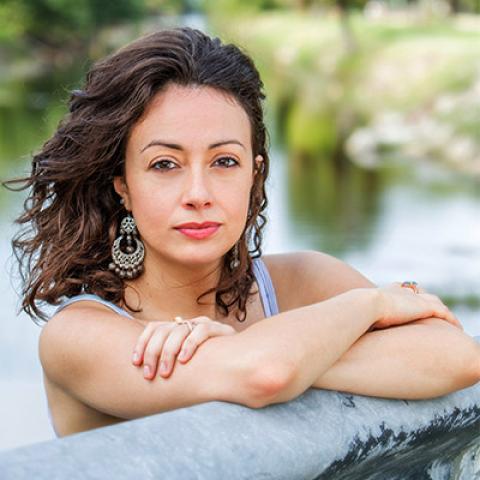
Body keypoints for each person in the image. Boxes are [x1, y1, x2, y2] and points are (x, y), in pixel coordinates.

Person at [6, 27, 479, 439]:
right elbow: (266, 372)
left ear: (254, 174)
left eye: (224, 161)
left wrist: (285, 355)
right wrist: (369, 304)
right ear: (124, 187)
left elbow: (458, 357)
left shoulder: (300, 282)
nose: (198, 193)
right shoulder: (79, 335)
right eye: (165, 164)